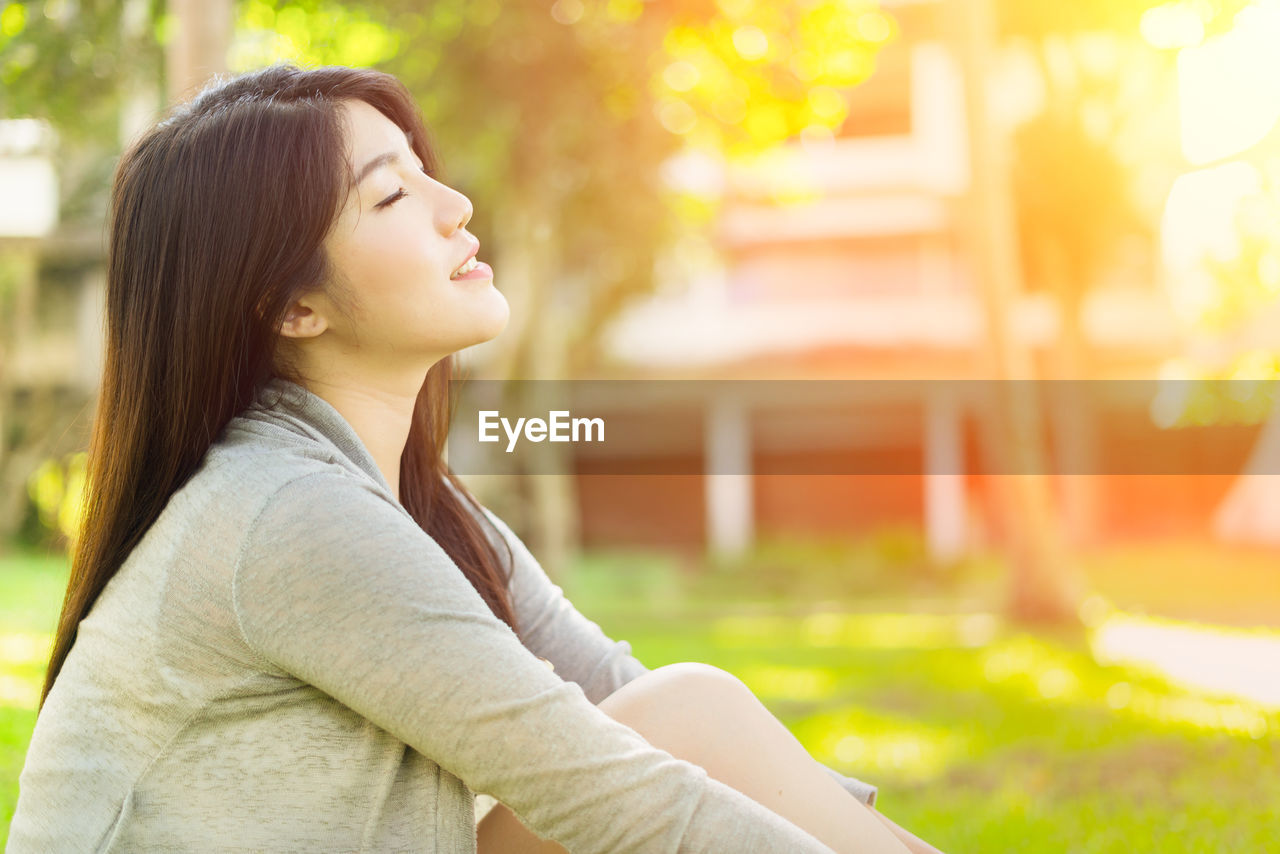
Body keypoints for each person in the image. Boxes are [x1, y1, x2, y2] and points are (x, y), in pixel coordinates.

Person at [7, 64, 943, 853]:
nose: (455, 207)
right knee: (683, 727)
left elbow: (632, 706)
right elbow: (610, 792)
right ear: (295, 308)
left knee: (692, 712)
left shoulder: (411, 506)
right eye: (391, 195)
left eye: (425, 173)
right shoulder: (284, 514)